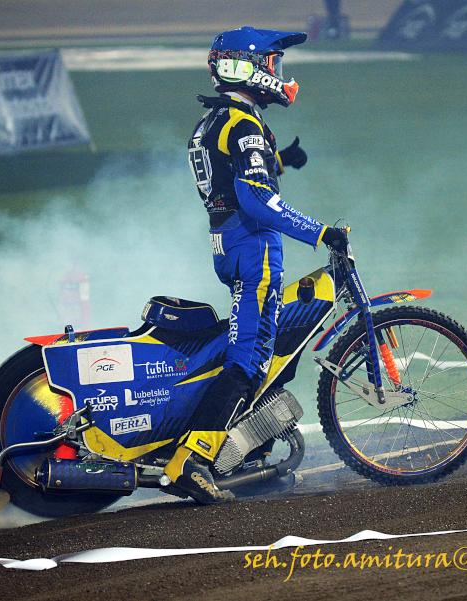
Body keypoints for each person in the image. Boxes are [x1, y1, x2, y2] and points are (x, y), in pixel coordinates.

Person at [169, 26, 348, 503]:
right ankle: (191, 461)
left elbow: (233, 176)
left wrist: (281, 159)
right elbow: (256, 200)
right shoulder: (243, 125)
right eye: (271, 63)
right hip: (254, 252)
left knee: (267, 354)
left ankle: (247, 453)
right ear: (243, 68)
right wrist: (320, 232)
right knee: (248, 360)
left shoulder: (218, 119)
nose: (278, 73)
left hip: (229, 244)